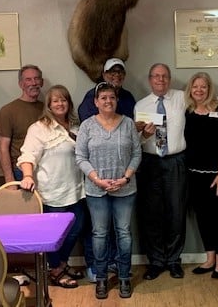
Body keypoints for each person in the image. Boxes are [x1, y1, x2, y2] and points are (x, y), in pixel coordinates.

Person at [76, 82, 141, 299]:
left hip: (125, 188)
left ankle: (124, 277)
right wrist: (97, 179)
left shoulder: (128, 124)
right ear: (96, 102)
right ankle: (102, 278)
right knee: (100, 234)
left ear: (116, 100)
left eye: (111, 97)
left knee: (124, 233)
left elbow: (136, 154)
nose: (108, 101)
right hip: (97, 190)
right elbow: (80, 157)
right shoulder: (87, 126)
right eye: (103, 97)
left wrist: (126, 177)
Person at [18, 85, 85, 288]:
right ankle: (56, 269)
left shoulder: (76, 127)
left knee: (76, 229)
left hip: (77, 190)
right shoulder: (38, 129)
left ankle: (60, 265)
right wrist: (28, 175)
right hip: (52, 192)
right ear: (48, 105)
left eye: (63, 100)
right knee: (54, 235)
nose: (60, 104)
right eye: (55, 100)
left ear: (69, 103)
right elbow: (28, 155)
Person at [135, 63, 188, 281]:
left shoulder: (183, 98)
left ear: (170, 79)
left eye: (165, 76)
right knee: (152, 214)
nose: (161, 80)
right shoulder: (141, 105)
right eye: (156, 76)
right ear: (150, 80)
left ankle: (174, 260)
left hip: (176, 161)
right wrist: (146, 135)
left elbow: (208, 102)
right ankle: (156, 261)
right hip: (150, 163)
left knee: (176, 212)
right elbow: (135, 139)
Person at [184, 72, 218, 279]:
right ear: (190, 89)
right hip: (194, 174)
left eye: (203, 87)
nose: (199, 90)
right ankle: (210, 258)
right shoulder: (187, 111)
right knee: (203, 217)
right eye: (195, 87)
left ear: (209, 89)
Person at [0, 64, 44, 185]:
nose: (33, 83)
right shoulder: (8, 111)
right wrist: (9, 180)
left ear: (41, 82)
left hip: (46, 170)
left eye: (37, 78)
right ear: (21, 84)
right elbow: (2, 149)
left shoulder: (48, 109)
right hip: (21, 172)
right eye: (28, 79)